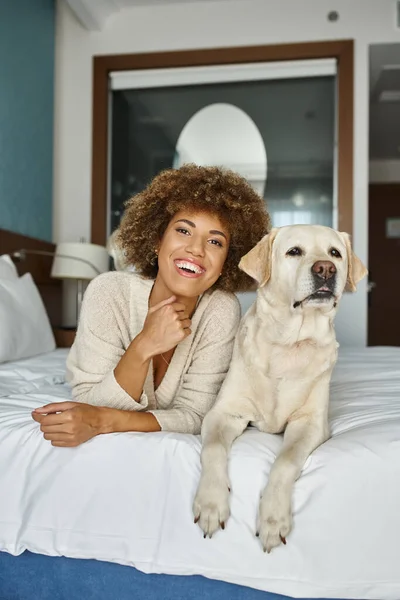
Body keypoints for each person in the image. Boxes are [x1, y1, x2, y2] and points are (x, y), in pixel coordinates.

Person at [32, 164, 270, 446]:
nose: (196, 249)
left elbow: (196, 415)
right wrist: (143, 345)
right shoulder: (108, 292)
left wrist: (106, 421)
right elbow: (89, 402)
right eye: (183, 230)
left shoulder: (221, 308)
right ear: (158, 240)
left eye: (215, 241)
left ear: (226, 263)